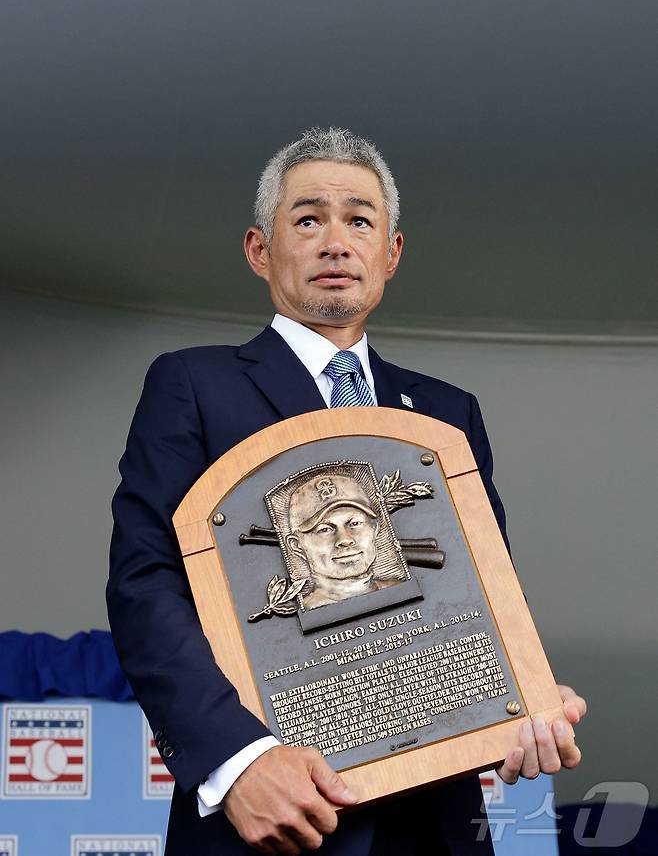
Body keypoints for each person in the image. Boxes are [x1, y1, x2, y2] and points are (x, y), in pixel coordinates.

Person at [107, 127, 587, 856]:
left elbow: (479, 598)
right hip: (274, 818)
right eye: (308, 220)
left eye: (360, 221)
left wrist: (523, 702)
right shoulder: (193, 385)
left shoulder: (447, 414)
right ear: (260, 250)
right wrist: (240, 762)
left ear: (390, 253)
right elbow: (145, 586)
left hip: (434, 827)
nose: (336, 243)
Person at [285, 472, 401, 610]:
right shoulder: (305, 610)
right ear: (297, 545)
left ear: (375, 528)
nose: (345, 540)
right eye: (324, 530)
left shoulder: (401, 589)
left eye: (355, 523)